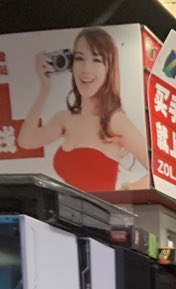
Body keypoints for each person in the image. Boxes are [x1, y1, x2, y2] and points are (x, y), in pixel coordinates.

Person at [18, 27, 149, 192]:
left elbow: (157, 171)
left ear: (109, 68)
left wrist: (123, 191)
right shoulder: (65, 119)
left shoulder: (114, 121)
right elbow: (26, 141)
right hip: (63, 207)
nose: (86, 70)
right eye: (80, 59)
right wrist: (44, 88)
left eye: (97, 60)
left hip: (100, 208)